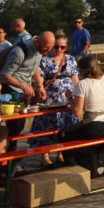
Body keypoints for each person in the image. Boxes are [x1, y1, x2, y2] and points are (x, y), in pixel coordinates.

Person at [61, 56, 104, 177]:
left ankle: (73, 168)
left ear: (83, 71)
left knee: (64, 134)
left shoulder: (82, 84)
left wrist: (69, 97)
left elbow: (77, 112)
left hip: (94, 126)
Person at [29, 33, 80, 167]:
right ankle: (45, 155)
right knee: (46, 127)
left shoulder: (70, 59)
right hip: (50, 98)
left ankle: (61, 153)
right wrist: (40, 87)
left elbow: (75, 78)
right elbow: (38, 77)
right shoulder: (44, 60)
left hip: (68, 98)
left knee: (65, 127)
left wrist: (79, 92)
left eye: (62, 47)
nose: (59, 50)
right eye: (56, 47)